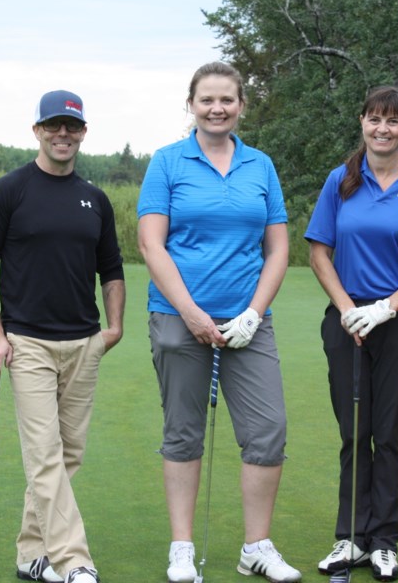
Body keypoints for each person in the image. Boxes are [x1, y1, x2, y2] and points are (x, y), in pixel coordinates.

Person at [137, 61, 301, 583]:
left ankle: (257, 546)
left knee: (267, 432)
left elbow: (277, 248)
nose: (217, 108)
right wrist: (190, 312)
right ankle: (181, 548)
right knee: (183, 434)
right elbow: (150, 244)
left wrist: (254, 312)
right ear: (191, 104)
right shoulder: (168, 162)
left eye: (227, 99)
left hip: (249, 323)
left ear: (241, 106)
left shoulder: (260, 165)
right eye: (207, 99)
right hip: (178, 319)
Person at [0, 90, 126, 583]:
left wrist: (114, 327)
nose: (63, 134)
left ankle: (31, 555)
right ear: (37, 130)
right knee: (44, 453)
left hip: (83, 342)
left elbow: (112, 268)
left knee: (68, 454)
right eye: (54, 126)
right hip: (27, 343)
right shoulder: (9, 191)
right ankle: (74, 561)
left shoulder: (94, 198)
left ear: (83, 132)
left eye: (72, 127)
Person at [305, 86, 398, 582]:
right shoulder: (341, 179)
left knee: (388, 433)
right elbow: (319, 250)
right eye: (374, 119)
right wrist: (347, 309)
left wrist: (388, 307)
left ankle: (383, 540)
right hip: (346, 319)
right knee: (353, 432)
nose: (382, 129)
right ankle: (349, 537)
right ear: (361, 122)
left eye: (392, 121)